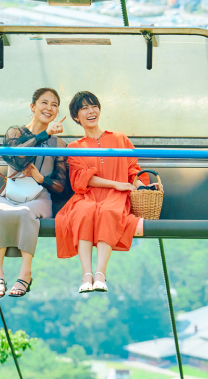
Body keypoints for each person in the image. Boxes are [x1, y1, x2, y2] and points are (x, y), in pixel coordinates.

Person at [0, 87, 69, 298]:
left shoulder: (59, 144)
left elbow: (60, 185)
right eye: (44, 102)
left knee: (25, 214)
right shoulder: (14, 133)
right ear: (33, 107)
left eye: (54, 105)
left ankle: (25, 273)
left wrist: (42, 179)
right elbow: (17, 158)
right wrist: (45, 134)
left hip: (38, 198)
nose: (49, 108)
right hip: (10, 196)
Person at [55, 91, 157, 293]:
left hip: (115, 197)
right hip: (88, 195)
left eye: (94, 106)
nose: (90, 111)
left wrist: (142, 186)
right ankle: (86, 275)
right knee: (84, 212)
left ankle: (100, 274)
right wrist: (115, 184)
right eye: (84, 108)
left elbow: (132, 170)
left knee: (109, 212)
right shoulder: (75, 147)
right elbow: (81, 179)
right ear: (76, 117)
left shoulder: (120, 139)